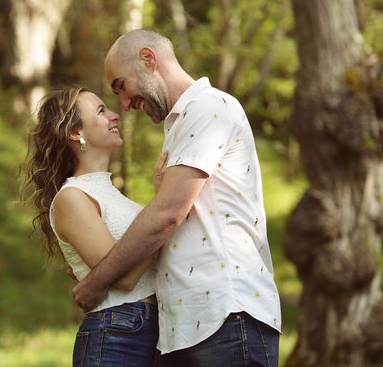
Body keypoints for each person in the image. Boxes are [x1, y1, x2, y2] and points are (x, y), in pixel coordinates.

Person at [72, 29, 282, 366]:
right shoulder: (179, 127)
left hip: (227, 317)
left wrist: (98, 280)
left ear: (148, 59)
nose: (124, 105)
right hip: (185, 329)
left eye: (121, 86)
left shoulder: (209, 108)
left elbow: (167, 214)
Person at [24, 86, 167, 367]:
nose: (115, 115)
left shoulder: (109, 193)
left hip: (149, 331)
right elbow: (123, 278)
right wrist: (164, 207)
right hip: (117, 334)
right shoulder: (72, 197)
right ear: (76, 133)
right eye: (101, 111)